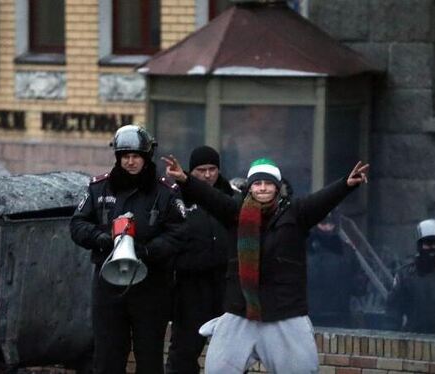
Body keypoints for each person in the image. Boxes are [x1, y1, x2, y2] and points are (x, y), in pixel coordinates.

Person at [163, 155, 369, 374]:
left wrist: (346, 184)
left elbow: (322, 200)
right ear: (250, 188)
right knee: (218, 369)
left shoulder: (296, 214)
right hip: (241, 310)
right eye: (257, 184)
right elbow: (210, 197)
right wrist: (185, 179)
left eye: (268, 183)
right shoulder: (236, 214)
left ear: (277, 187)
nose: (262, 188)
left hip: (284, 312)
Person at [70, 124, 186, 374]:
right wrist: (102, 239)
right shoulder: (99, 188)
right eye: (125, 157)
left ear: (146, 157)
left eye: (136, 157)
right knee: (107, 357)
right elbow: (77, 224)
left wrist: (146, 251)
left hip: (151, 286)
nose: (130, 162)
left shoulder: (165, 192)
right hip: (107, 286)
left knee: (149, 356)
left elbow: (179, 233)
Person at [166, 146, 234, 374]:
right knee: (184, 351)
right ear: (190, 171)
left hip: (225, 283)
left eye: (212, 169)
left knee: (231, 352)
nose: (207, 175)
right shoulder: (176, 197)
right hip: (190, 285)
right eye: (201, 170)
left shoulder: (232, 195)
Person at [386, 219, 435, 334]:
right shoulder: (405, 275)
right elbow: (393, 312)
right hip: (415, 339)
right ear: (420, 245)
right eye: (426, 244)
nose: (431, 249)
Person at [306, 210, 367, 328]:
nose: (327, 228)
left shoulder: (346, 251)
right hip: (308, 319)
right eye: (323, 224)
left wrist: (359, 282)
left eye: (331, 224)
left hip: (339, 317)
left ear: (335, 225)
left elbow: (359, 287)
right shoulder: (302, 250)